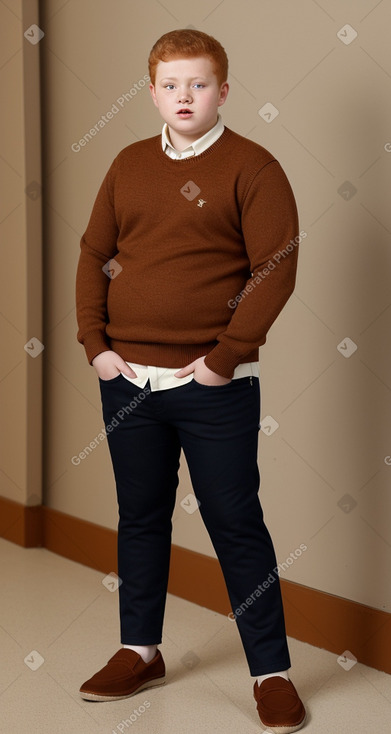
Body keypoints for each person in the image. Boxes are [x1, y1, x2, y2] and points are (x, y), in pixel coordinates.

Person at [76, 28, 306, 733]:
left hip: (213, 387)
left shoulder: (254, 168)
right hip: (126, 382)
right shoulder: (126, 164)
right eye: (171, 84)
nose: (184, 96)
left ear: (223, 91)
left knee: (234, 522)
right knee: (140, 515)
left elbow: (276, 267)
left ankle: (270, 672)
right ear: (151, 92)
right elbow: (94, 253)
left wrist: (224, 357)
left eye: (198, 83)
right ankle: (139, 649)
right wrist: (96, 347)